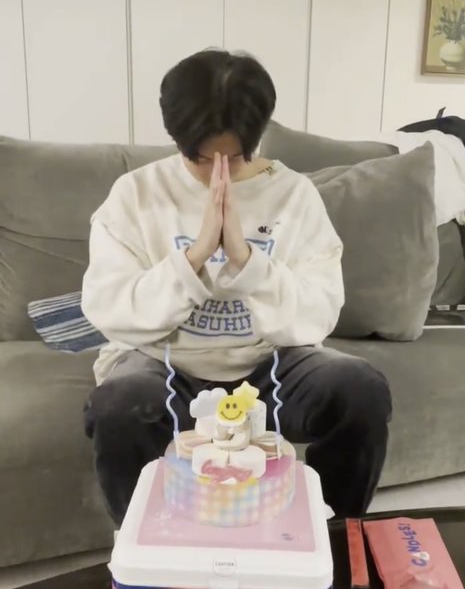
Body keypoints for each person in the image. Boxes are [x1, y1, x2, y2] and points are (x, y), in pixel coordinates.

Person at [82, 48, 392, 526]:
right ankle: (142, 544)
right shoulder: (135, 194)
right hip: (165, 364)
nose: (219, 174)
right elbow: (110, 308)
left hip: (267, 365)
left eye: (236, 156)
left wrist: (246, 261)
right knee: (119, 405)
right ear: (177, 138)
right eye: (203, 158)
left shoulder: (293, 195)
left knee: (360, 389)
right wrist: (195, 256)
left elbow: (317, 313)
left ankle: (335, 537)